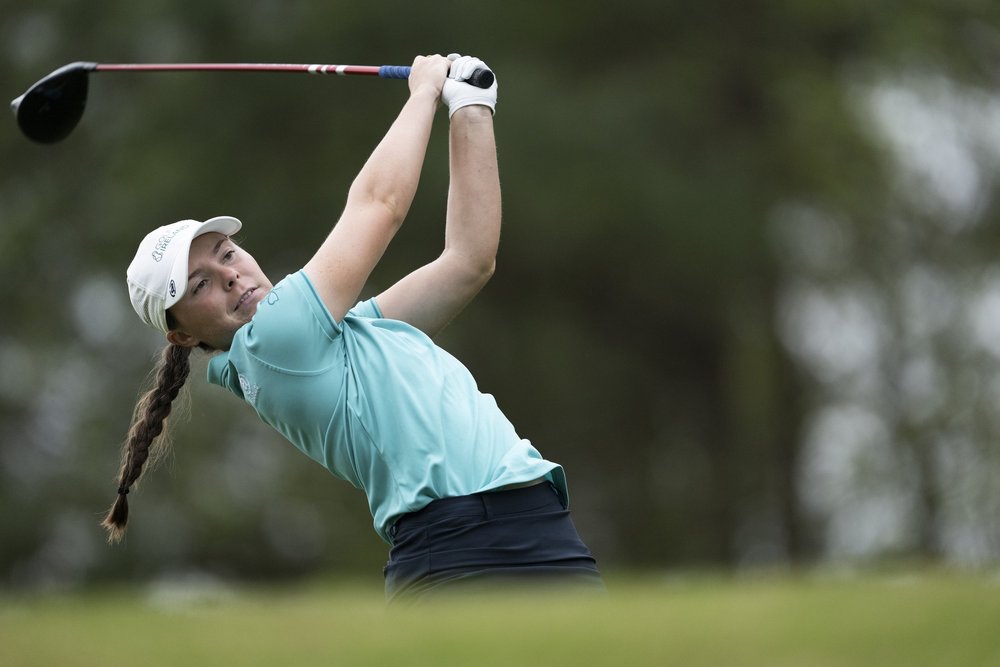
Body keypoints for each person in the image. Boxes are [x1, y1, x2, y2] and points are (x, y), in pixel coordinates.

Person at [104, 53, 603, 602]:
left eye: (227, 253)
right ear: (182, 336)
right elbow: (378, 205)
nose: (229, 276)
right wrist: (422, 92)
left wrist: (471, 107)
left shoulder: (349, 333)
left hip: (538, 523)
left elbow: (468, 262)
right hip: (457, 546)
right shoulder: (274, 342)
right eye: (198, 285)